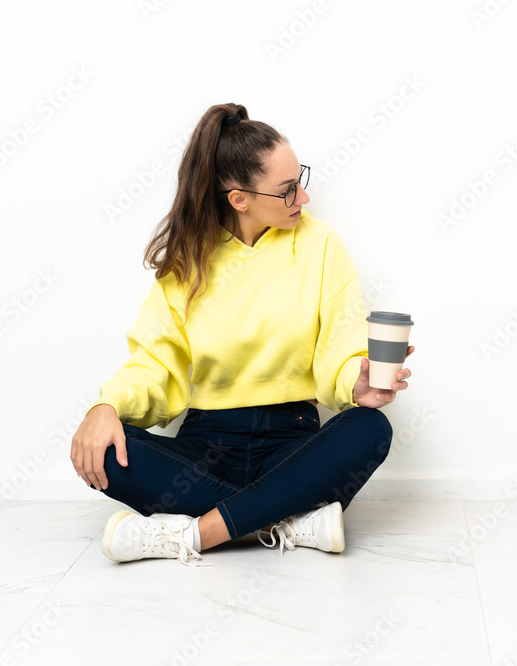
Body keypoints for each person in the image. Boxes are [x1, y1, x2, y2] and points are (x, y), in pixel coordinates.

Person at [69, 102, 413, 566]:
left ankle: (193, 535)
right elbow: (153, 363)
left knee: (369, 429)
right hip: (206, 445)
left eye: (300, 182)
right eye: (288, 191)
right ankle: (287, 520)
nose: (303, 200)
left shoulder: (320, 244)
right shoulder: (189, 261)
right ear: (239, 198)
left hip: (292, 442)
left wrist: (356, 382)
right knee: (106, 453)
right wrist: (106, 407)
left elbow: (340, 344)